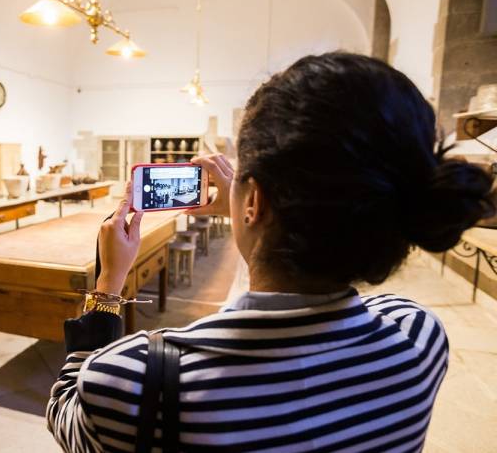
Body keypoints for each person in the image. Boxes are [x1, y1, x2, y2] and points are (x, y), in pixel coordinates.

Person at [46, 53, 495, 452]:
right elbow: (302, 283)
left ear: (255, 201)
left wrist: (108, 286)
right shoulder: (418, 339)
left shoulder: (136, 382)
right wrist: (255, 208)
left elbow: (66, 409)